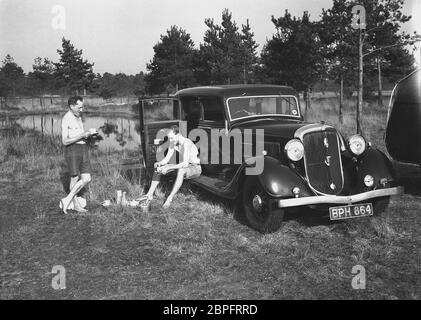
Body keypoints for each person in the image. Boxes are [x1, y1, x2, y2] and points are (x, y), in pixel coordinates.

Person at [138, 125, 201, 209]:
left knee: (181, 170)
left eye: (172, 138)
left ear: (178, 135)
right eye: (169, 138)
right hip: (184, 166)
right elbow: (166, 159)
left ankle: (170, 198)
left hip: (195, 168)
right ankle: (149, 195)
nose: (170, 140)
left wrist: (168, 168)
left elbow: (185, 164)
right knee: (159, 169)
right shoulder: (173, 143)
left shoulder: (187, 143)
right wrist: (160, 163)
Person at [60, 96, 97, 214]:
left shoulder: (78, 117)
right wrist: (81, 136)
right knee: (75, 177)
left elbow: (79, 134)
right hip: (72, 150)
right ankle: (75, 204)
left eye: (82, 107)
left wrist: (88, 135)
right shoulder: (66, 119)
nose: (81, 110)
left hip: (83, 148)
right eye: (79, 107)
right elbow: (65, 141)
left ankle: (67, 200)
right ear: (72, 106)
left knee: (87, 178)